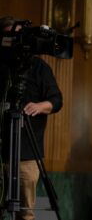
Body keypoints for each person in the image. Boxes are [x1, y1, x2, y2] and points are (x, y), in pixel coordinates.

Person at [0, 16, 63, 220]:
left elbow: (56, 100)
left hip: (27, 153)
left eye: (17, 37)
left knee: (25, 213)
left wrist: (39, 106)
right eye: (9, 36)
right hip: (0, 152)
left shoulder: (38, 67)